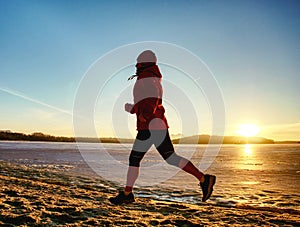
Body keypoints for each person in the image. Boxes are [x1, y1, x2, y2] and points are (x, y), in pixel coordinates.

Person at [109, 50, 216, 205]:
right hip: (157, 125)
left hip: (149, 126)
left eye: (138, 62)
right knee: (170, 158)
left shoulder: (147, 78)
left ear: (142, 63)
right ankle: (204, 179)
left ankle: (127, 194)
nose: (136, 65)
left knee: (135, 159)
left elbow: (152, 99)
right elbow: (147, 101)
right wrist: (134, 109)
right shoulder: (151, 77)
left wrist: (143, 114)